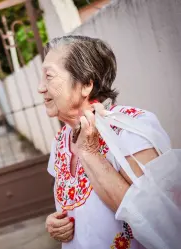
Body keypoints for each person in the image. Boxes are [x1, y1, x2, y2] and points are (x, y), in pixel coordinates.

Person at [39, 35, 171, 249]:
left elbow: (154, 219)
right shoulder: (59, 142)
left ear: (86, 84)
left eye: (49, 77)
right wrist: (55, 223)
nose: (40, 88)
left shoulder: (130, 129)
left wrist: (90, 152)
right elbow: (76, 212)